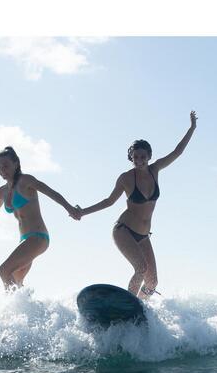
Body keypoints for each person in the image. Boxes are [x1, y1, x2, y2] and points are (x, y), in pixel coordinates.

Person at [74, 111, 197, 299]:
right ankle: (129, 304)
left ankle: (139, 307)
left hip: (143, 236)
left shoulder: (155, 170)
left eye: (143, 157)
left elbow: (177, 151)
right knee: (140, 268)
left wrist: (192, 128)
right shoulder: (126, 178)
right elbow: (109, 201)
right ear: (131, 157)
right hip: (124, 230)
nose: (139, 160)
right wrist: (83, 212)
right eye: (135, 157)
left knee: (152, 281)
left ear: (149, 156)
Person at [0, 146, 79, 289]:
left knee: (4, 270)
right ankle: (32, 310)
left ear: (16, 164)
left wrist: (69, 208)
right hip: (25, 240)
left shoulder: (25, 181)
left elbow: (51, 192)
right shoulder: (3, 191)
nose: (2, 170)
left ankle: (12, 309)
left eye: (6, 165)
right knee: (16, 282)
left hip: (38, 237)